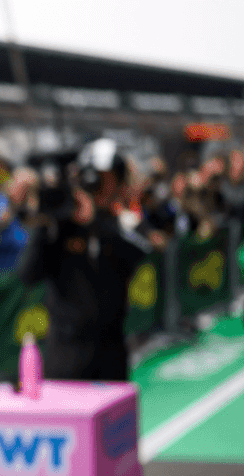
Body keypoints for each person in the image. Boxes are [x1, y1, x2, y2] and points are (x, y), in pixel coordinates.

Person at [18, 137, 150, 380]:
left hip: (111, 350)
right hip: (66, 351)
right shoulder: (60, 226)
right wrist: (47, 224)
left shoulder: (121, 220)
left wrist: (94, 222)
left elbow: (141, 251)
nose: (101, 186)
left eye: (108, 178)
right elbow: (27, 274)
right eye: (96, 177)